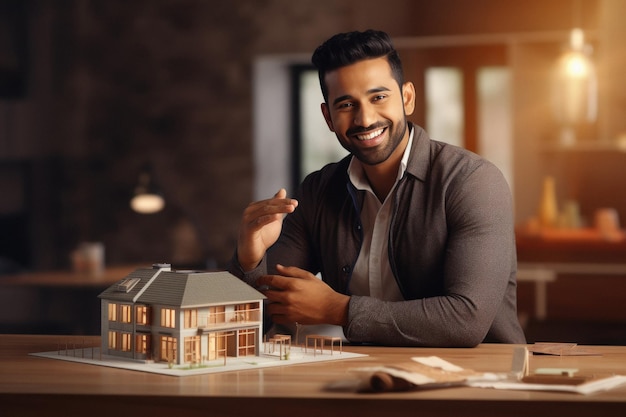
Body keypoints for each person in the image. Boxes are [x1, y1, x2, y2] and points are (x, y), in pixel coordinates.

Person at [229, 29, 526, 347]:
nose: (365, 118)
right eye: (346, 105)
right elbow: (253, 319)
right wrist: (250, 259)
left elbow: (466, 320)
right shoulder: (319, 190)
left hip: (478, 386)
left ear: (407, 98)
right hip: (362, 382)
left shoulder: (472, 181)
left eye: (378, 97)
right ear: (328, 117)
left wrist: (337, 309)